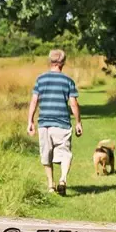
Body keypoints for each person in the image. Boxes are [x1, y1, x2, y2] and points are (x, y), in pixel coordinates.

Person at [27, 48, 81, 195]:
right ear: (63, 62)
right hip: (62, 123)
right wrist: (78, 122)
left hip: (44, 123)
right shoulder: (68, 81)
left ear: (50, 61)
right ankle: (63, 179)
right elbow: (73, 104)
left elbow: (34, 101)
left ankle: (51, 185)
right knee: (65, 153)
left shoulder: (41, 79)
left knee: (46, 155)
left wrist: (30, 121)